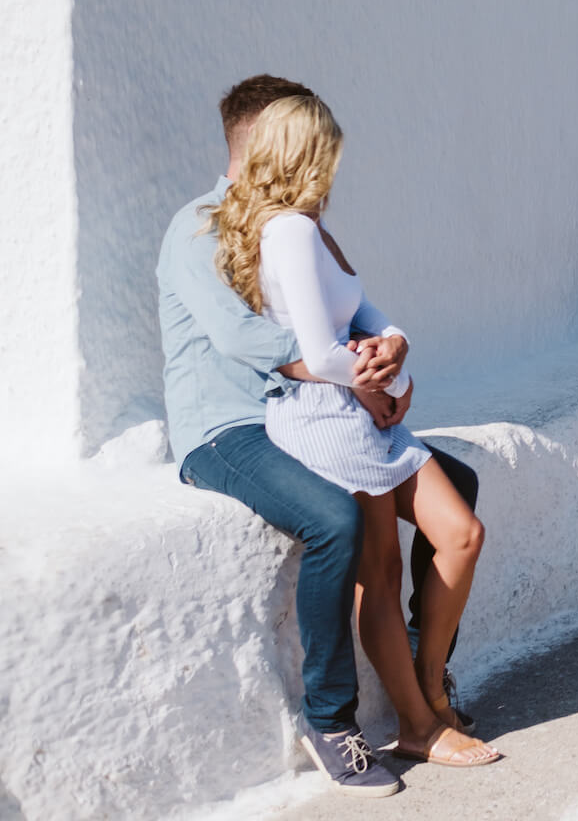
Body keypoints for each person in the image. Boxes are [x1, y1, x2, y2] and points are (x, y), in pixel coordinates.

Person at [161, 76, 483, 796]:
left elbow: (354, 315)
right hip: (228, 424)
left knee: (459, 488)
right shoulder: (201, 225)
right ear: (257, 144)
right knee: (337, 522)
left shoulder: (291, 221)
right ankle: (332, 718)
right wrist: (358, 379)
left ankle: (424, 668)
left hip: (302, 405)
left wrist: (389, 358)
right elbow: (243, 336)